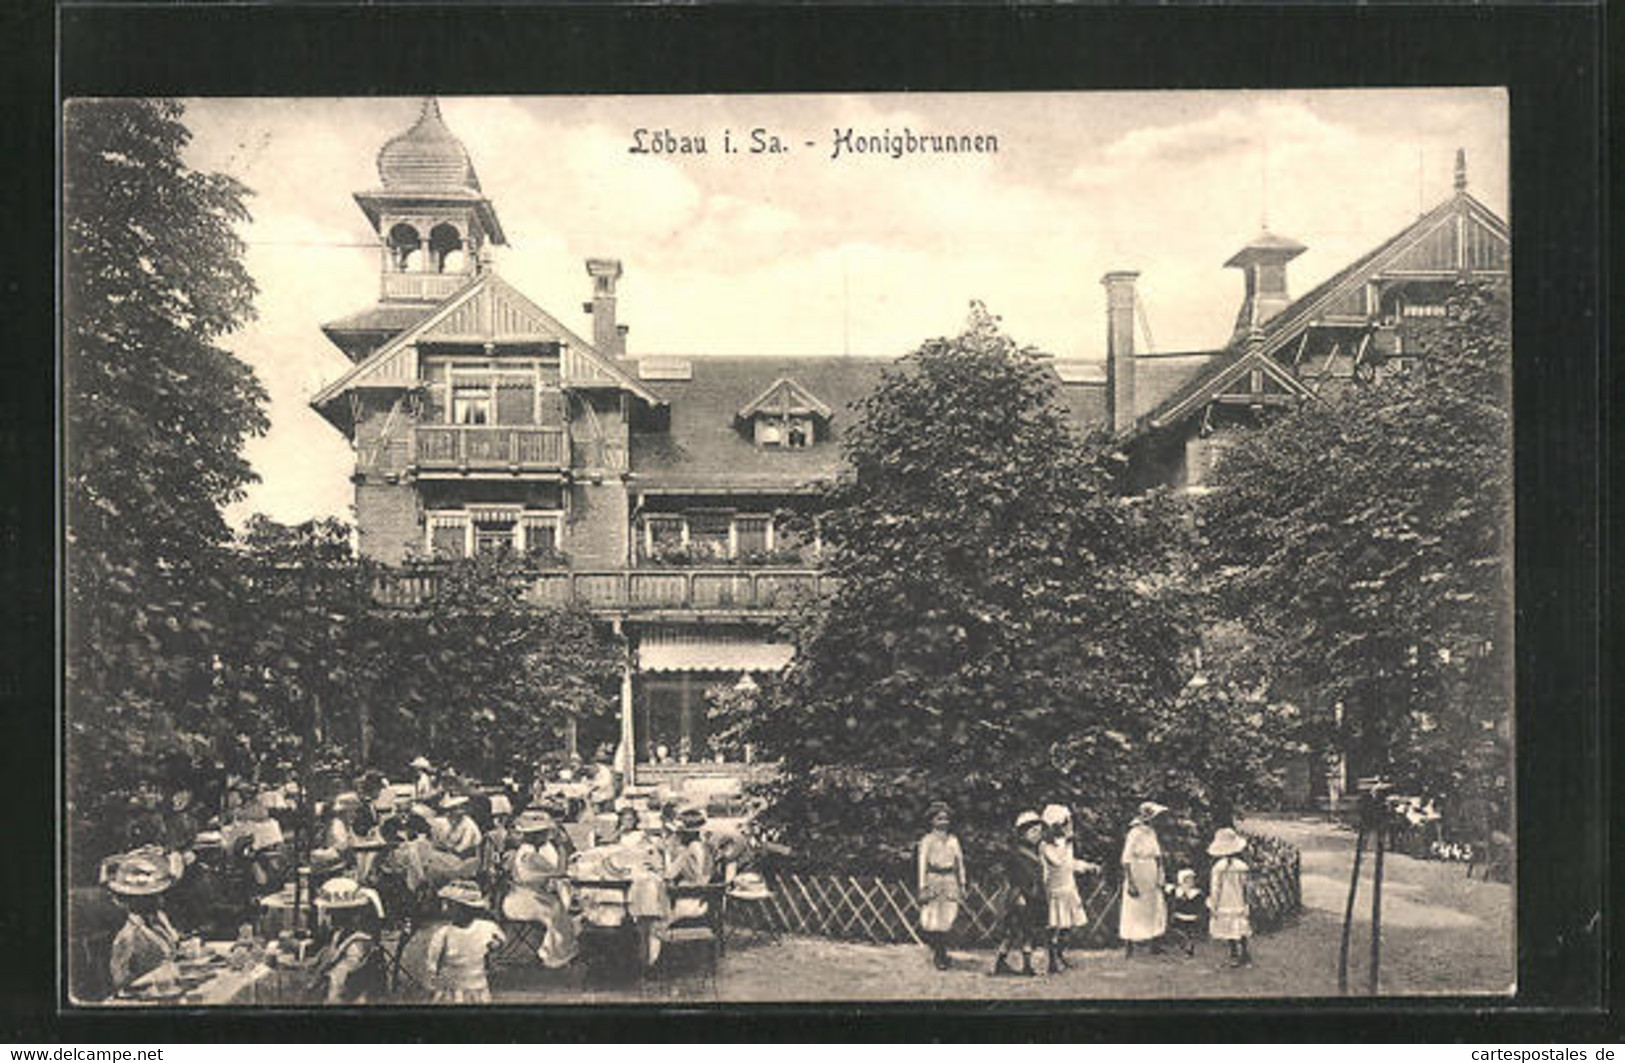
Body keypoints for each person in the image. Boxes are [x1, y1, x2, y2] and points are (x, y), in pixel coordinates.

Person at [500, 809, 579, 969]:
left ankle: (559, 951)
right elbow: (559, 872)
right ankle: (555, 955)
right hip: (523, 902)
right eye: (544, 834)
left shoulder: (526, 851)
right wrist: (562, 846)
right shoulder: (530, 856)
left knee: (559, 906)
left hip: (525, 895)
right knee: (558, 910)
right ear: (535, 836)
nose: (547, 837)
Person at [102, 847, 183, 995]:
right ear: (134, 901)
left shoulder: (158, 919)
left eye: (159, 894)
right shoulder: (127, 935)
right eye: (151, 897)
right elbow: (120, 981)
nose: (160, 900)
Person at [1040, 803, 1100, 974]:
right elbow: (1056, 861)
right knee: (1054, 926)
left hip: (1068, 887)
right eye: (1065, 823)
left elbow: (1069, 863)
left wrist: (1088, 866)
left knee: (1067, 926)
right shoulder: (1046, 845)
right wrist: (1066, 842)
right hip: (1055, 889)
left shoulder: (1064, 843)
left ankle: (1060, 955)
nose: (1068, 826)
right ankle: (1052, 961)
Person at [424, 880, 506, 1003]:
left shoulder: (486, 928)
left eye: (451, 905)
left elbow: (500, 940)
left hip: (478, 987)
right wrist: (433, 981)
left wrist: (495, 946)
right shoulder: (444, 934)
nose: (445, 908)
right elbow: (433, 961)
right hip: (451, 990)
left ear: (467, 908)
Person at [309, 877, 387, 1004]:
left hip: (350, 992)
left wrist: (325, 974)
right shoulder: (341, 934)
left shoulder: (357, 942)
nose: (327, 917)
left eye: (330, 913)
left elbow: (344, 973)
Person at [992, 810, 1047, 977]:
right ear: (1022, 833)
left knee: (1026, 932)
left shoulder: (1036, 853)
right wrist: (1019, 897)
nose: (1037, 835)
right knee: (1016, 932)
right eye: (1033, 831)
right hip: (1019, 897)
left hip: (1033, 896)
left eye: (1039, 831)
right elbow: (1014, 878)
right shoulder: (1016, 854)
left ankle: (1024, 965)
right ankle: (1004, 964)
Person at [916, 801, 965, 971]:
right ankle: (939, 954)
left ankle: (942, 952)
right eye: (939, 819)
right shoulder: (927, 840)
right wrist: (922, 886)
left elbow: (960, 863)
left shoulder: (953, 840)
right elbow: (922, 863)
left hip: (950, 879)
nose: (944, 822)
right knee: (933, 918)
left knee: (948, 917)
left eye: (946, 819)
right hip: (934, 879)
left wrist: (962, 883)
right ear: (932, 821)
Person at [1119, 800, 1169, 957]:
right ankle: (1129, 945)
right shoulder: (1134, 833)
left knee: (1154, 906)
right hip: (1137, 870)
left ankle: (1154, 943)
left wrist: (1161, 873)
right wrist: (1131, 882)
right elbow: (1126, 859)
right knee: (1134, 907)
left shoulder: (1151, 833)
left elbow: (1158, 855)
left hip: (1150, 871)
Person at [1206, 827, 1252, 967]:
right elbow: (1246, 886)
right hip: (1237, 899)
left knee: (1230, 926)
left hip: (1226, 900)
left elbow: (1215, 887)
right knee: (1239, 924)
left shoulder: (1218, 868)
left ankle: (1235, 953)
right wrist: (1246, 900)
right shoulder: (1241, 866)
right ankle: (1243, 952)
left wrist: (1214, 903)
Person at [1166, 867, 1205, 956]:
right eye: (1188, 880)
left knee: (1190, 933)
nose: (1191, 881)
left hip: (1191, 916)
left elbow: (1199, 905)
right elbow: (1169, 892)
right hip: (1179, 915)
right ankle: (1184, 943)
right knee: (1176, 931)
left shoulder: (1196, 893)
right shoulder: (1177, 891)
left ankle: (1189, 947)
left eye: (1192, 879)